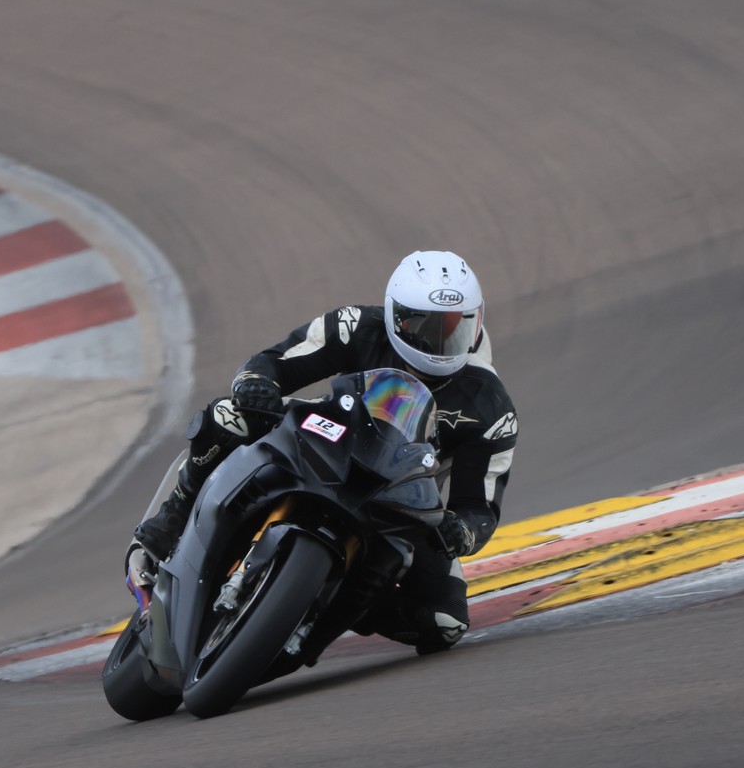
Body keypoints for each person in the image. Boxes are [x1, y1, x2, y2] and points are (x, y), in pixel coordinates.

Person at [127, 250, 517, 654]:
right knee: (229, 417)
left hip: (403, 498)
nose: (441, 342)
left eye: (456, 327)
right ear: (396, 316)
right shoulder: (356, 326)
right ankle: (167, 523)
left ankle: (340, 602)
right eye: (426, 326)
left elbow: (479, 507)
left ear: (477, 321)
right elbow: (273, 361)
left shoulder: (491, 406)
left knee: (445, 623)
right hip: (325, 438)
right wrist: (256, 384)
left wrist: (461, 530)